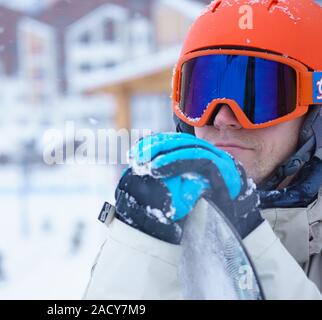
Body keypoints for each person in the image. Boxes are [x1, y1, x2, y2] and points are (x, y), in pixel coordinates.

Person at [83, 0, 322, 299]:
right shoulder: (164, 225)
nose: (223, 118)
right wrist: (141, 246)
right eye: (204, 95)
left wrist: (248, 238)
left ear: (315, 115)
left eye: (257, 96)